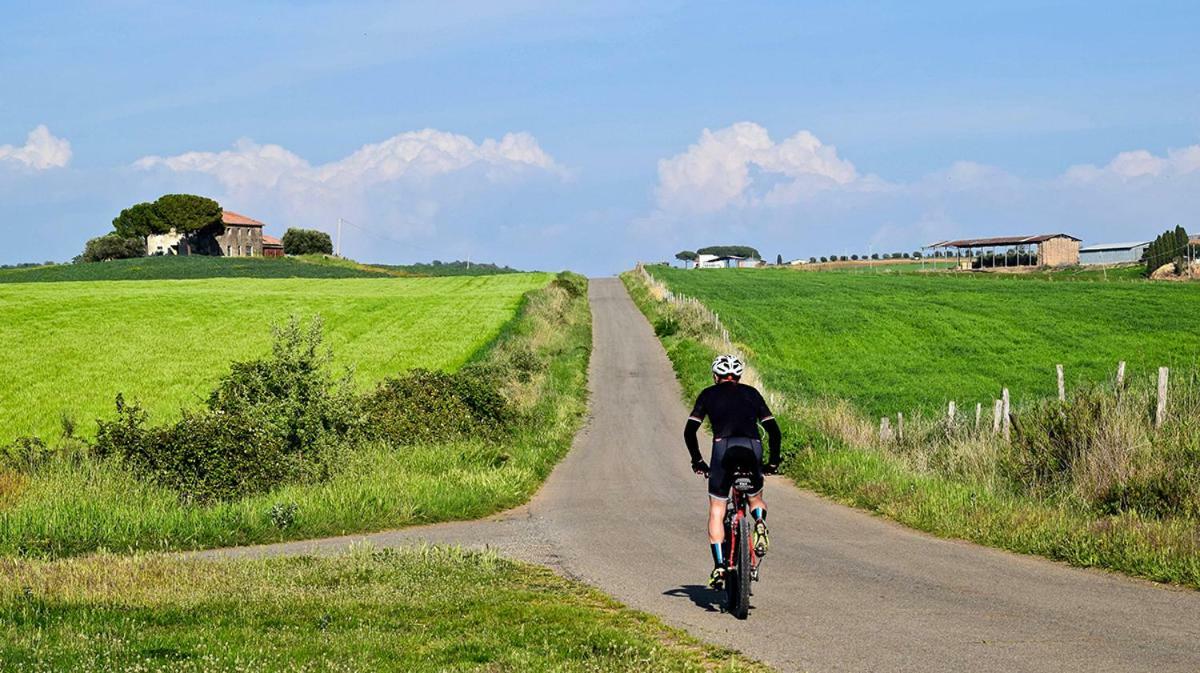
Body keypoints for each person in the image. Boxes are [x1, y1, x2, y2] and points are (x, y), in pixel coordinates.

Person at [684, 354, 782, 589]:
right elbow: (774, 432)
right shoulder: (752, 394)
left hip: (723, 447)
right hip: (752, 447)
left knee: (717, 508)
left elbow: (689, 432)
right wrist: (772, 463)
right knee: (755, 498)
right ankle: (758, 521)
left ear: (715, 375)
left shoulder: (708, 394)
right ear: (738, 376)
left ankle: (719, 565)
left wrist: (697, 461)